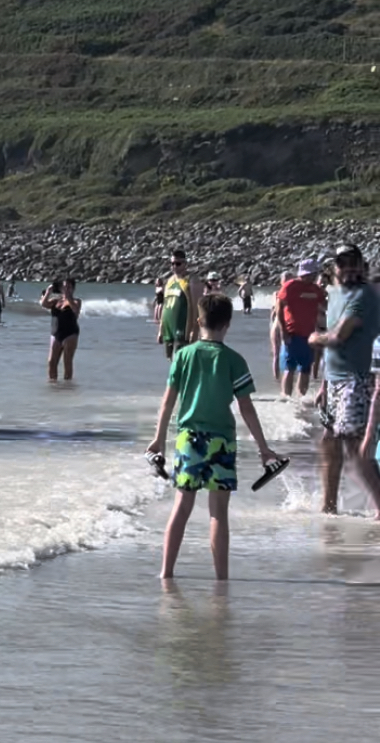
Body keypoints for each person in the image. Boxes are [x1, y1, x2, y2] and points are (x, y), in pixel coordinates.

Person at [146, 293, 279, 580]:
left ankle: (165, 573)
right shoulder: (234, 360)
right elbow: (246, 408)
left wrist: (158, 439)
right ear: (228, 324)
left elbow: (168, 402)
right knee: (218, 513)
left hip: (188, 439)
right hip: (222, 440)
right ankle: (221, 578)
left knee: (182, 506)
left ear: (198, 320)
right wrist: (264, 447)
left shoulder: (183, 355)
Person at [309, 242, 380, 517]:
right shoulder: (334, 294)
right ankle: (328, 507)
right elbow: (333, 348)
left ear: (362, 266)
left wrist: (314, 337)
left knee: (355, 447)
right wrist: (324, 384)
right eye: (343, 263)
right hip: (335, 381)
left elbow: (339, 336)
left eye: (354, 262)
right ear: (334, 268)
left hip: (357, 379)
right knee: (329, 441)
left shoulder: (363, 296)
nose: (349, 268)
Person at [276, 259, 327, 397]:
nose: (312, 277)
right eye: (310, 274)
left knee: (305, 368)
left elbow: (325, 306)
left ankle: (301, 398)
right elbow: (279, 308)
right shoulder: (290, 286)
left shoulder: (316, 290)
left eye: (314, 274)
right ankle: (286, 397)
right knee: (289, 367)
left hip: (309, 335)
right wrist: (283, 331)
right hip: (292, 332)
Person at [159, 249, 202, 359]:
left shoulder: (191, 280)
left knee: (181, 359)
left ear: (185, 264)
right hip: (169, 328)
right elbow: (165, 306)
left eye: (178, 264)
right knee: (170, 358)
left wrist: (195, 330)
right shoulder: (169, 281)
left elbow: (197, 306)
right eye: (172, 264)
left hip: (183, 328)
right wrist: (161, 329)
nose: (174, 267)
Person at [42, 277, 81, 381]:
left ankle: (67, 386)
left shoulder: (76, 301)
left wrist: (69, 297)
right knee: (51, 361)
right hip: (56, 332)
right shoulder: (56, 301)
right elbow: (44, 304)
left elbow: (76, 311)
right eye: (64, 287)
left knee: (67, 361)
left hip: (70, 333)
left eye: (69, 287)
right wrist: (48, 292)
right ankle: (53, 384)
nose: (66, 289)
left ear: (73, 288)